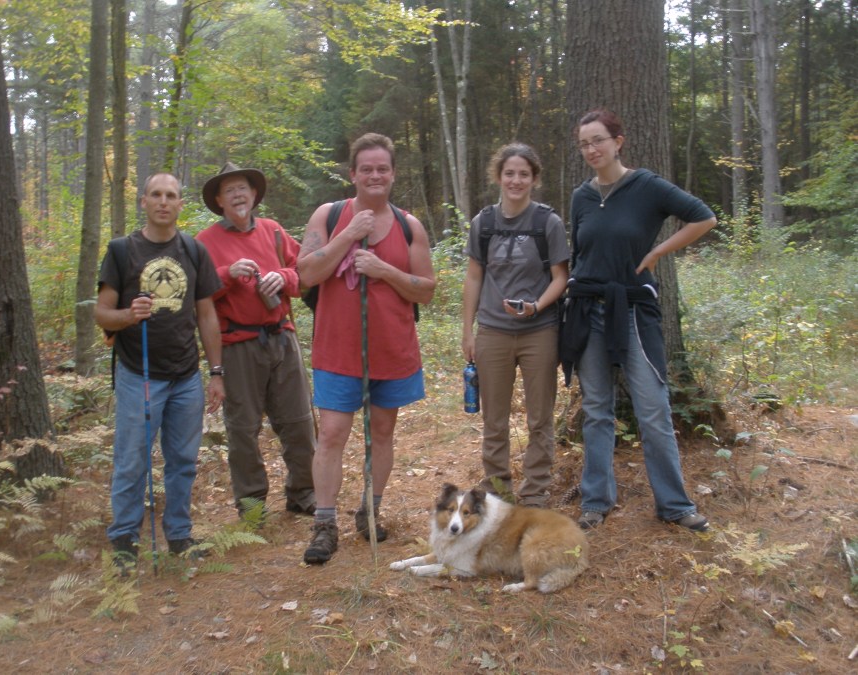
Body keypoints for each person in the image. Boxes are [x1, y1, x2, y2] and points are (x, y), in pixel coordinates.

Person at [560, 109, 717, 532]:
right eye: (584, 143)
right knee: (596, 410)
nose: (591, 150)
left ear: (618, 141)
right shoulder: (582, 197)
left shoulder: (646, 186)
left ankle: (674, 505)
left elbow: (704, 217)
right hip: (588, 311)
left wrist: (657, 253)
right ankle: (595, 500)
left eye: (598, 140)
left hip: (632, 311)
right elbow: (580, 253)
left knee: (653, 409)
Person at [297, 133, 436, 564]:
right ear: (353, 173)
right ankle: (324, 525)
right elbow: (305, 273)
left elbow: (426, 290)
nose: (375, 175)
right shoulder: (329, 215)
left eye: (383, 168)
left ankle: (369, 510)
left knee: (382, 432)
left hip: (392, 350)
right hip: (337, 349)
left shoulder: (409, 225)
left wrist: (382, 269)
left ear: (393, 174)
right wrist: (348, 236)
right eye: (366, 169)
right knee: (333, 434)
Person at [95, 172, 225, 565]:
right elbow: (102, 314)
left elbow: (207, 315)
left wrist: (216, 372)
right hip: (140, 373)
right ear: (144, 201)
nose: (164, 201)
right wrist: (129, 316)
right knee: (133, 458)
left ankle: (180, 535)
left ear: (180, 204)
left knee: (183, 460)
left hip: (186, 375)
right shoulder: (121, 251)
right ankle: (123, 541)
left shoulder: (193, 250)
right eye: (156, 195)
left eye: (171, 195)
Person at [196, 162, 316, 517]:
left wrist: (283, 277)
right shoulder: (205, 243)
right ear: (219, 200)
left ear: (254, 195)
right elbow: (197, 299)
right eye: (229, 190)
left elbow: (307, 272)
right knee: (243, 431)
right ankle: (251, 505)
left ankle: (303, 493)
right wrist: (226, 275)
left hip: (282, 338)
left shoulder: (274, 232)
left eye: (242, 188)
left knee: (298, 421)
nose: (237, 194)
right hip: (237, 348)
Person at [462, 143, 570, 507]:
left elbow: (561, 277)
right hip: (492, 331)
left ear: (534, 179)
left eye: (524, 174)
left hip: (540, 332)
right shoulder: (484, 223)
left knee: (540, 418)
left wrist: (536, 306)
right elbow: (474, 277)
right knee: (495, 419)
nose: (516, 180)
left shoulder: (547, 223)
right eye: (509, 173)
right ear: (498, 176)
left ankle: (536, 492)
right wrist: (468, 331)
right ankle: (497, 491)